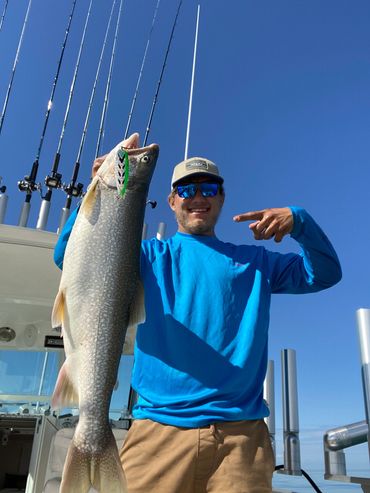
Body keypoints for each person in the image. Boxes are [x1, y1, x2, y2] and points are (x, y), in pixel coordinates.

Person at [54, 136, 342, 493]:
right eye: (186, 189)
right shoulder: (147, 256)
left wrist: (299, 221)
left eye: (209, 188)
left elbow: (325, 274)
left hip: (241, 438)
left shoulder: (257, 261)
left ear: (221, 198)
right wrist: (97, 189)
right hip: (157, 431)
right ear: (173, 200)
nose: (198, 197)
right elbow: (70, 258)